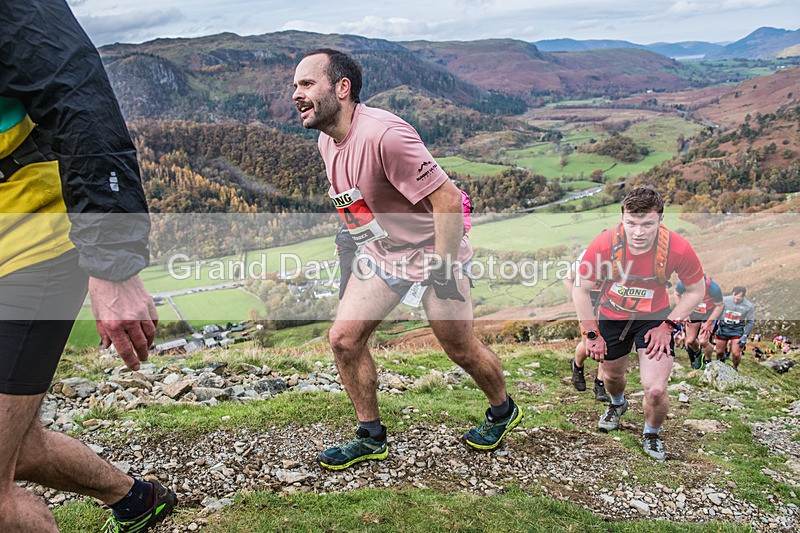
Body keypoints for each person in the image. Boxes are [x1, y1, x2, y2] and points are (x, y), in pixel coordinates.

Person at [292, 49, 521, 470]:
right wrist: (353, 251)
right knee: (344, 339)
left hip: (436, 251)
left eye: (307, 84)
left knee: (460, 348)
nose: (296, 94)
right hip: (383, 254)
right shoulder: (328, 140)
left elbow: (449, 200)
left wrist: (446, 270)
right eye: (295, 86)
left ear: (342, 88)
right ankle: (370, 435)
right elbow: (355, 204)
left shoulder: (385, 135)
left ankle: (503, 410)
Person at [1, 2, 176, 531]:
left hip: (33, 241)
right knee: (20, 445)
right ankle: (139, 501)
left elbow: (79, 97)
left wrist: (114, 265)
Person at [573, 187, 705, 462]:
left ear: (661, 220)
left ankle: (651, 433)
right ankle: (617, 404)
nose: (638, 232)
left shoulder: (678, 247)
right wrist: (591, 334)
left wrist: (668, 326)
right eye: (631, 223)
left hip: (654, 318)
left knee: (655, 388)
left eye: (647, 224)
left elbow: (696, 290)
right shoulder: (604, 244)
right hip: (612, 315)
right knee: (611, 376)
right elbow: (580, 289)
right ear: (622, 217)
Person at [564, 250, 608, 401]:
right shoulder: (587, 255)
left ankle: (600, 385)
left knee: (608, 341)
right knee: (588, 343)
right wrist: (579, 302)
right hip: (587, 301)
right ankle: (577, 365)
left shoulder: (625, 256)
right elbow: (568, 279)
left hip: (609, 303)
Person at [675, 276, 724, 369]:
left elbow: (720, 306)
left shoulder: (714, 288)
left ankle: (707, 360)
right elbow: (677, 294)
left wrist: (709, 323)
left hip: (709, 313)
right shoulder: (683, 283)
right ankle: (698, 353)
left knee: (703, 340)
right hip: (693, 310)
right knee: (690, 340)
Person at [714, 286, 755, 370]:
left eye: (739, 299)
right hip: (723, 328)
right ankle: (722, 361)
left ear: (743, 297)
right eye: (735, 298)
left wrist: (745, 336)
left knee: (736, 354)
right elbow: (716, 312)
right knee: (719, 352)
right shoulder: (724, 300)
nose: (736, 300)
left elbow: (750, 322)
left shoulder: (749, 306)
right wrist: (715, 326)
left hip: (737, 330)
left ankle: (734, 368)